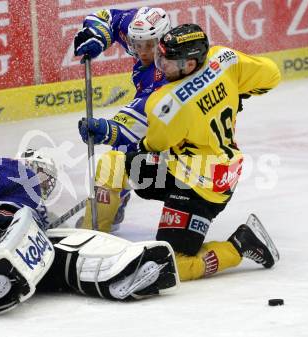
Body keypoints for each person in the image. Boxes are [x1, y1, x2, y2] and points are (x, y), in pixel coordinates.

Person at [90, 23, 281, 281]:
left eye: (168, 61)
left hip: (203, 190)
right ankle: (94, 236)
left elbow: (154, 144)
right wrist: (236, 91)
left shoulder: (166, 103)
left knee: (172, 264)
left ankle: (241, 245)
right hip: (184, 169)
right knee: (114, 163)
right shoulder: (223, 58)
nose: (160, 66)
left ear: (190, 64)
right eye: (161, 56)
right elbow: (271, 74)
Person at [0, 150, 179, 315]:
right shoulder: (18, 172)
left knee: (65, 252)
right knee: (27, 222)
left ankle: (121, 271)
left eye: (47, 180)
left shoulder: (41, 211)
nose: (42, 182)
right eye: (42, 173)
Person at [74, 7, 171, 232]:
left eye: (149, 45)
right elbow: (104, 17)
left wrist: (109, 128)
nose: (143, 52)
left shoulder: (170, 68)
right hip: (150, 99)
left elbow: (147, 112)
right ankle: (116, 197)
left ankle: (115, 197)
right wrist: (100, 35)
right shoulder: (138, 30)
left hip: (178, 124)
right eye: (137, 45)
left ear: (163, 39)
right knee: (124, 148)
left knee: (129, 148)